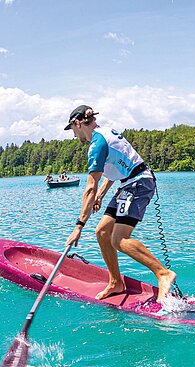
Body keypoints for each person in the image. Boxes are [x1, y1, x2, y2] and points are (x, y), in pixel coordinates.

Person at [64, 105, 176, 302]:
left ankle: (163, 274)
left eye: (73, 130)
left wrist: (78, 226)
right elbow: (116, 170)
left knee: (119, 239)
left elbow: (89, 186)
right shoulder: (104, 133)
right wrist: (101, 194)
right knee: (102, 232)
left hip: (138, 184)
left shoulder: (97, 144)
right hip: (130, 183)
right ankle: (115, 282)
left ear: (78, 123)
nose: (74, 136)